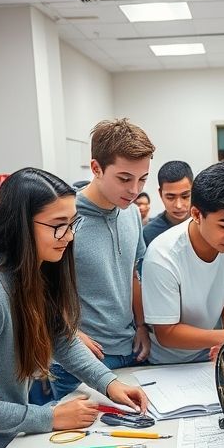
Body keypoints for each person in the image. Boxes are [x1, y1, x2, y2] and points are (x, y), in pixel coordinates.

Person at [0, 168, 148, 448]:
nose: (68, 236)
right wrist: (48, 416)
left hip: (9, 442)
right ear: (20, 226)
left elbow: (61, 339)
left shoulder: (33, 271)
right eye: (58, 226)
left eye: (71, 224)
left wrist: (108, 383)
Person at [50, 119, 154, 401]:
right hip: (79, 359)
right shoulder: (64, 216)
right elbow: (39, 287)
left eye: (142, 179)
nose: (134, 190)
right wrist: (68, 333)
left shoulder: (131, 212)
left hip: (129, 349)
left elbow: (133, 273)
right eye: (124, 178)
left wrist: (142, 326)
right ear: (96, 168)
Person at [142, 162, 224, 364]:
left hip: (211, 355)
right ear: (197, 214)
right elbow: (166, 333)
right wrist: (222, 337)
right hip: (167, 363)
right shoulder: (163, 256)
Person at [143, 160, 193, 246]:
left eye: (185, 196)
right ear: (160, 194)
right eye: (171, 197)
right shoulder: (150, 233)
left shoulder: (205, 223)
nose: (178, 205)